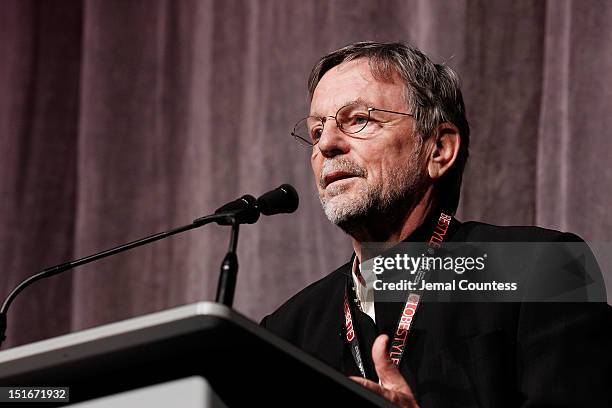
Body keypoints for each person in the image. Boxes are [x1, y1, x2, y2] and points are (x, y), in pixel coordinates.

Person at [261, 42, 611, 408]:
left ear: (439, 150)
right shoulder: (285, 331)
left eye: (359, 120)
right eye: (317, 131)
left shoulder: (544, 270)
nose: (326, 145)